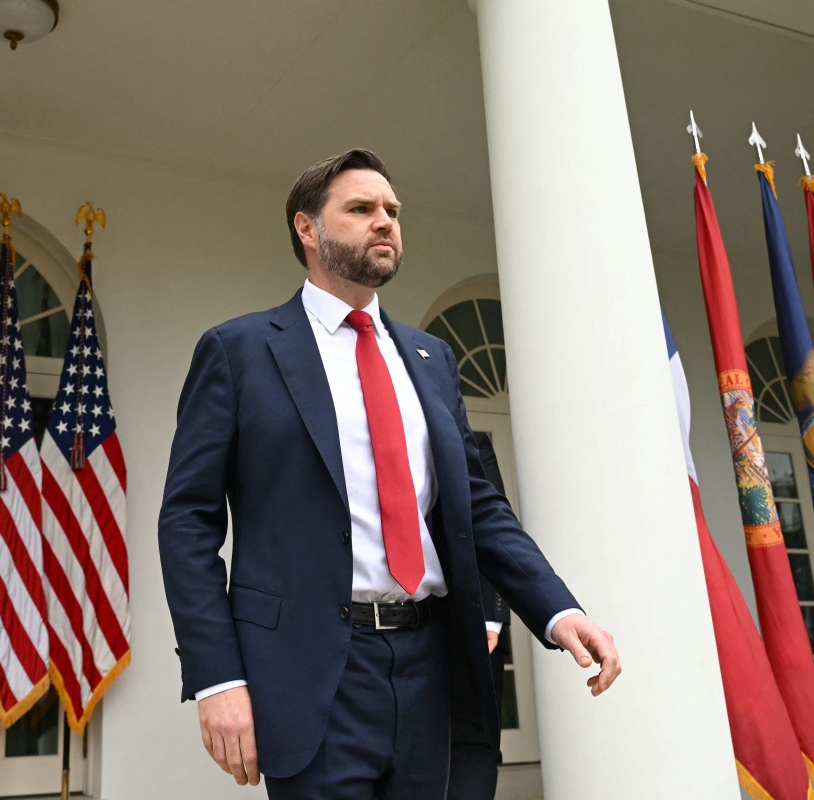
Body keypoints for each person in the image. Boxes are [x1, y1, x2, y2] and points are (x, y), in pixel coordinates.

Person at [158, 149, 620, 798]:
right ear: (307, 229)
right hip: (315, 671)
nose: (385, 221)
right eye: (362, 208)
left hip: (433, 665)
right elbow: (187, 523)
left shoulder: (431, 359)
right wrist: (217, 677)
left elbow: (478, 506)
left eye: (393, 211)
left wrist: (557, 608)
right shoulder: (239, 352)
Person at [447, 432, 512, 800]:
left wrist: (492, 618)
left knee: (476, 748)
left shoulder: (474, 442)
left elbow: (493, 526)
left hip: (474, 632)